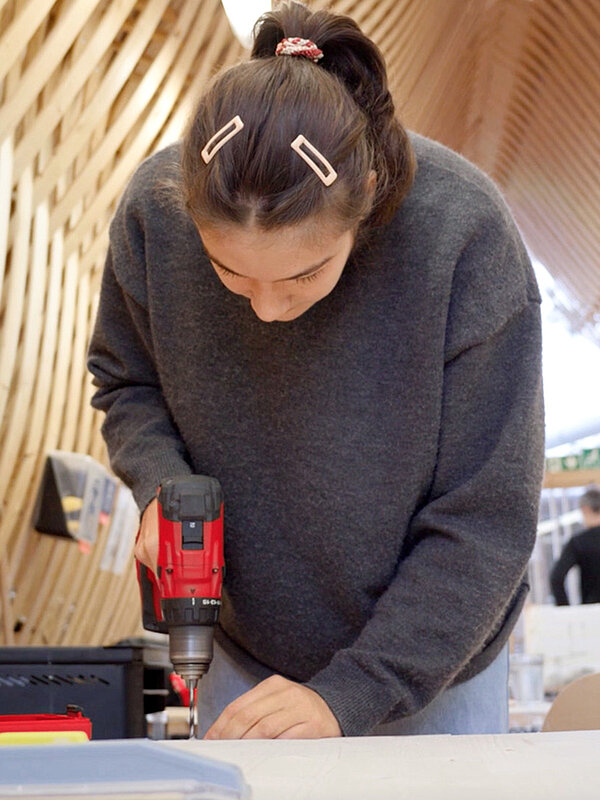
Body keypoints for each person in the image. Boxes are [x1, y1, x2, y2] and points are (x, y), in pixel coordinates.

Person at [87, 2, 543, 739]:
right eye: (228, 273)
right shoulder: (154, 213)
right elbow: (126, 378)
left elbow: (485, 519)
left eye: (304, 274)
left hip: (434, 671)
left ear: (365, 197)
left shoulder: (464, 237)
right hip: (247, 657)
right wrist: (157, 483)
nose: (267, 309)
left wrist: (351, 694)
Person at [550, 487, 600, 605]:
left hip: (592, 613)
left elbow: (556, 578)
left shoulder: (578, 542)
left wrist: (565, 609)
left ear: (585, 509)